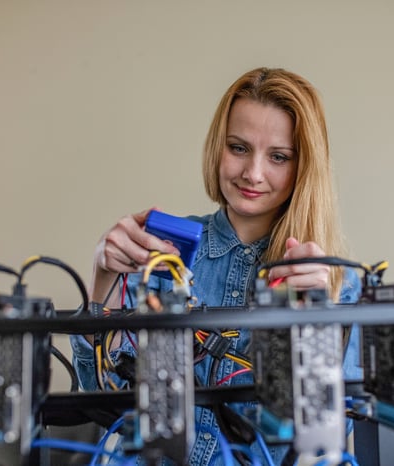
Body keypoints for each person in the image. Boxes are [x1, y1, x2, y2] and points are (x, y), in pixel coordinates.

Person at [70, 67, 362, 465]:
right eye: (238, 148)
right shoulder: (161, 253)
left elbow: (330, 433)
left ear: (303, 167)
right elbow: (102, 398)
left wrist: (315, 328)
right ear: (216, 148)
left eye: (278, 156)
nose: (252, 173)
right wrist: (102, 281)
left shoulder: (332, 283)